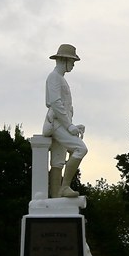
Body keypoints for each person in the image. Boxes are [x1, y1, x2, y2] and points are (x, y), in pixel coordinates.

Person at [42, 44, 88, 198]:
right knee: (81, 149)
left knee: (57, 162)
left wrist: (73, 124)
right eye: (72, 61)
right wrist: (69, 126)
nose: (74, 65)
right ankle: (64, 187)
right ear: (64, 60)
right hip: (57, 124)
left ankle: (56, 199)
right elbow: (56, 103)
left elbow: (64, 106)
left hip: (62, 122)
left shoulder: (59, 78)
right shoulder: (54, 77)